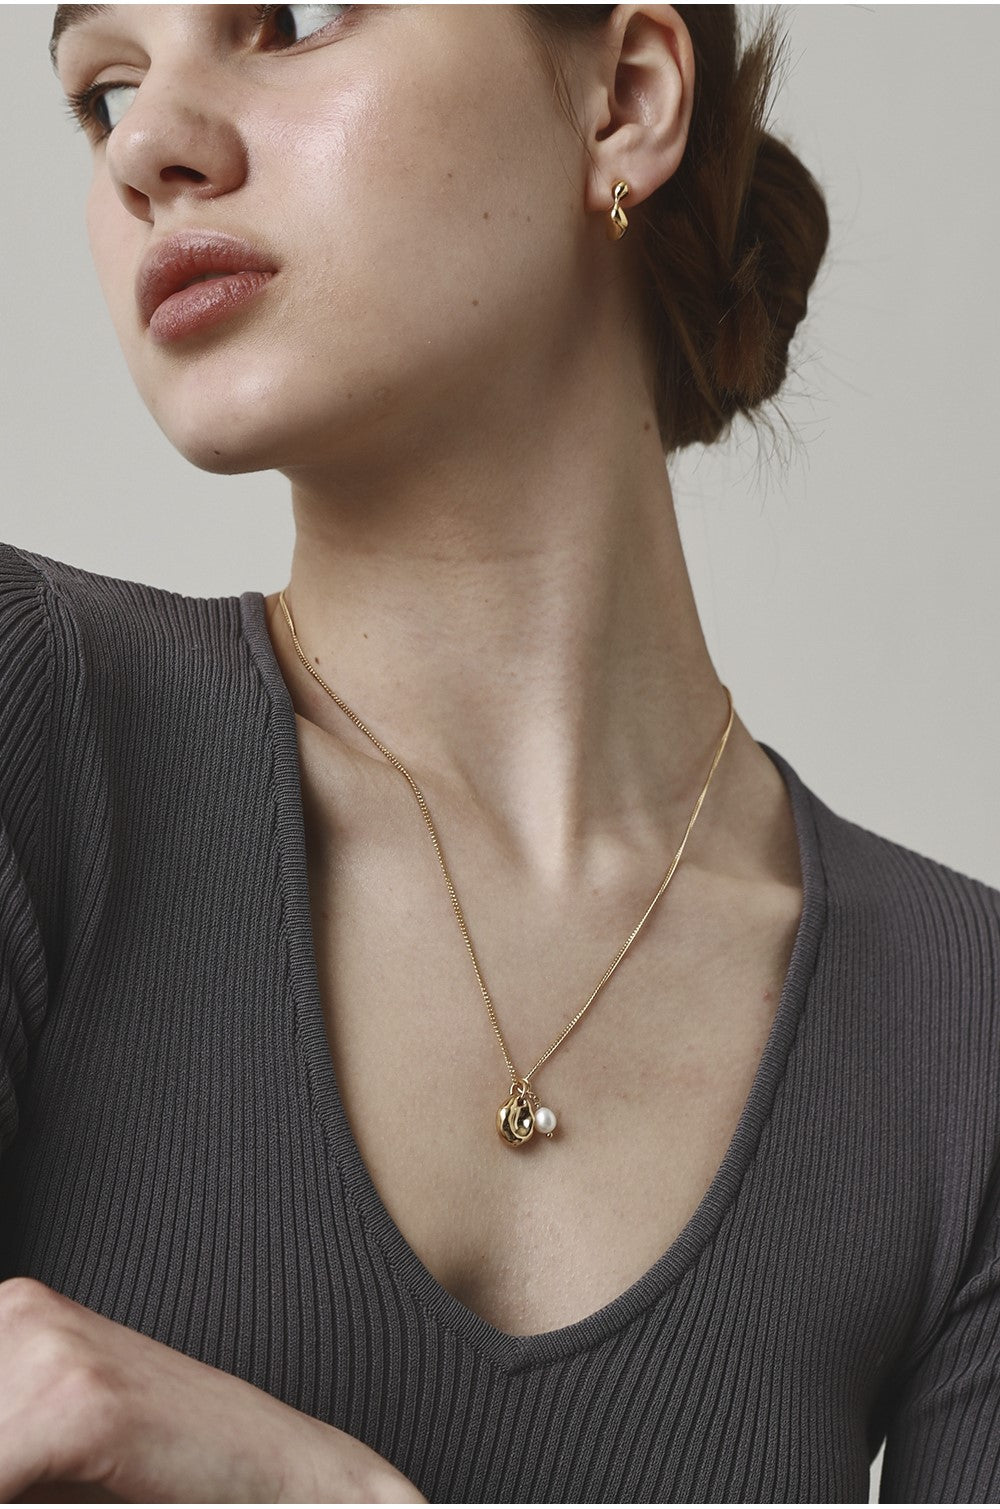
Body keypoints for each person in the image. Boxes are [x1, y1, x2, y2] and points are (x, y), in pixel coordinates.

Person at [0, 4, 997, 1502]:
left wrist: (322, 1493)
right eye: (105, 90)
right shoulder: (32, 722)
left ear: (623, 103)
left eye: (292, 21)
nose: (148, 147)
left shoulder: (962, 1028)